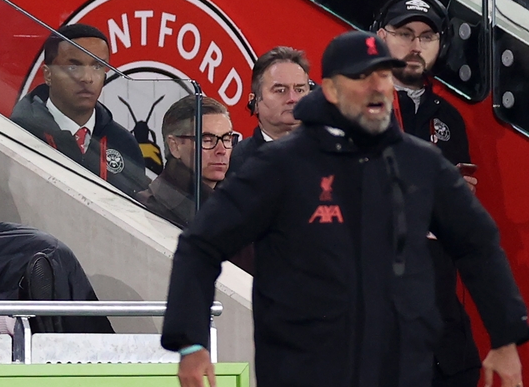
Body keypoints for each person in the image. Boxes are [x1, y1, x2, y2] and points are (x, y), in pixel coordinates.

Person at [161, 31, 528, 387]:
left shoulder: (421, 164)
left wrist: (505, 337)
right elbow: (201, 244)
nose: (376, 86)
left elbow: (477, 244)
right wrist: (190, 342)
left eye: (383, 74)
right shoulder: (280, 166)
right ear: (332, 90)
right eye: (361, 76)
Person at [374, 0, 481, 386]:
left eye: (427, 36)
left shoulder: (450, 120)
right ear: (381, 36)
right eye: (405, 32)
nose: (415, 46)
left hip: (440, 329)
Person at [11, 24, 148, 197]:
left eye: (97, 66)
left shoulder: (124, 144)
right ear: (48, 74)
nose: (87, 78)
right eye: (73, 67)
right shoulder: (20, 133)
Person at [136, 95, 253, 273]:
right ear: (174, 146)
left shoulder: (243, 204)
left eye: (227, 139)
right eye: (207, 140)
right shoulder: (149, 208)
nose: (221, 151)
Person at [228, 46, 310, 177]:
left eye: (299, 90)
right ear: (254, 102)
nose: (293, 99)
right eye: (280, 90)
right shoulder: (234, 164)